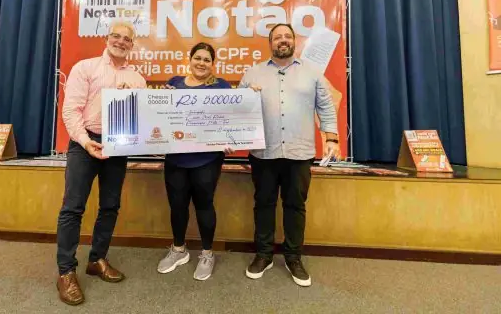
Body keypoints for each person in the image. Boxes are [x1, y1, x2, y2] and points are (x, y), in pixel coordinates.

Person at [239, 23, 340, 287]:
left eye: (287, 36)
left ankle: (293, 257)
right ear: (270, 43)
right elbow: (238, 111)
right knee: (264, 204)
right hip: (264, 153)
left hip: (299, 153)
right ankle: (264, 254)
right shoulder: (252, 73)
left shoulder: (312, 73)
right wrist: (246, 98)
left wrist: (331, 138)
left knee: (295, 206)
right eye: (277, 37)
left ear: (294, 41)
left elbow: (326, 107)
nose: (282, 40)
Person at [56, 20, 146, 305]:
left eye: (126, 39)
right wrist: (85, 141)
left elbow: (141, 120)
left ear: (132, 45)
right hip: (85, 143)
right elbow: (71, 111)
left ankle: (97, 259)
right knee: (73, 208)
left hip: (118, 145)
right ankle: (66, 272)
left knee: (110, 206)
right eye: (116, 36)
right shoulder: (85, 68)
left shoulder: (137, 79)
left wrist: (131, 103)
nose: (120, 41)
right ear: (107, 38)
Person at [157, 42, 234, 281]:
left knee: (204, 204)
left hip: (207, 159)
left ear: (213, 64)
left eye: (206, 60)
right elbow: (161, 117)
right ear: (189, 60)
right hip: (176, 158)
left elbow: (233, 118)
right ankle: (178, 250)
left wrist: (234, 137)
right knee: (177, 205)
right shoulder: (174, 83)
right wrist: (160, 100)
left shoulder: (222, 86)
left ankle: (207, 254)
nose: (201, 63)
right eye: (197, 58)